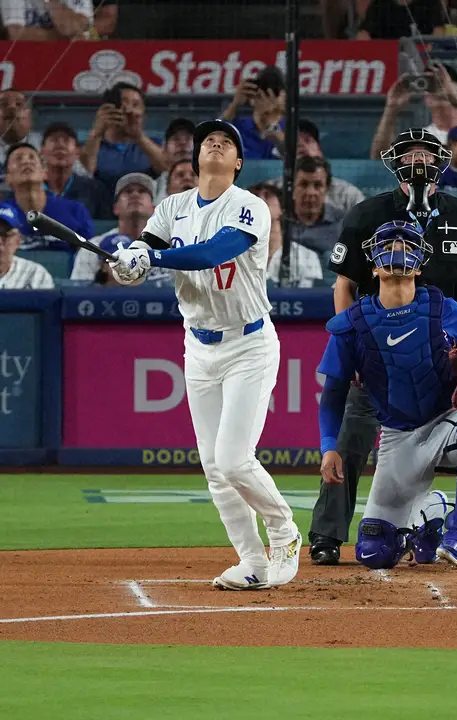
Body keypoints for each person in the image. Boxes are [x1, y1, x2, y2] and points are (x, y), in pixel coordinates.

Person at [309, 127, 457, 567]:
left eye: (426, 153)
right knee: (349, 439)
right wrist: (353, 342)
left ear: (441, 161)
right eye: (409, 153)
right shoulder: (368, 214)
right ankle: (326, 535)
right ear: (394, 160)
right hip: (377, 351)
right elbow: (344, 285)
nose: (418, 161)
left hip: (440, 358)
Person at [107, 119, 302, 591]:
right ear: (195, 159)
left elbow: (215, 252)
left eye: (227, 142)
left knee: (235, 460)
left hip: (249, 344)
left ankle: (284, 531)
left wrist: (149, 259)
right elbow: (143, 252)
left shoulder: (250, 206)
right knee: (214, 469)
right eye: (208, 141)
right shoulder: (172, 206)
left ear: (238, 162)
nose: (216, 143)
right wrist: (127, 262)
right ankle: (252, 561)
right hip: (198, 346)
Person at [318, 219, 457, 568]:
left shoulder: (443, 307)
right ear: (373, 265)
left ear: (420, 263)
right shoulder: (352, 323)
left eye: (407, 245)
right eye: (388, 245)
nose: (398, 250)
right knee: (374, 553)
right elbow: (333, 394)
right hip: (397, 438)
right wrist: (329, 446)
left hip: (443, 422)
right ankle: (429, 514)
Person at [70, 172, 164, 282]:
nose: (135, 195)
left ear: (154, 209)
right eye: (128, 192)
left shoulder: (169, 248)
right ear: (116, 208)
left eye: (142, 191)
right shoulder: (94, 247)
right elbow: (80, 291)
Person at [1, 142, 93, 252]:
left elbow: (88, 257)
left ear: (44, 173)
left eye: (32, 157)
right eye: (18, 159)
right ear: (7, 178)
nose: (26, 162)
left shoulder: (75, 211)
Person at [80, 83, 169, 193]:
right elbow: (85, 172)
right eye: (123, 103)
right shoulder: (93, 146)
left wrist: (139, 137)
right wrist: (96, 133)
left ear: (143, 114)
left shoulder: (155, 145)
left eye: (135, 105)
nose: (129, 110)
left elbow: (168, 168)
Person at [249, 181, 324, 289]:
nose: (261, 199)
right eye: (254, 197)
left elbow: (309, 300)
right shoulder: (239, 258)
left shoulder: (307, 256)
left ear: (281, 208)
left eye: (267, 195)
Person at [40, 122, 112, 219]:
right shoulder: (30, 189)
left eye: (66, 141)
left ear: (77, 152)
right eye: (54, 140)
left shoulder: (95, 190)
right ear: (42, 151)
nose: (60, 145)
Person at [0, 0, 93, 39]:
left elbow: (71, 28)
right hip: (29, 56)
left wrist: (50, 1)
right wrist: (57, 36)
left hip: (72, 57)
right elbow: (15, 35)